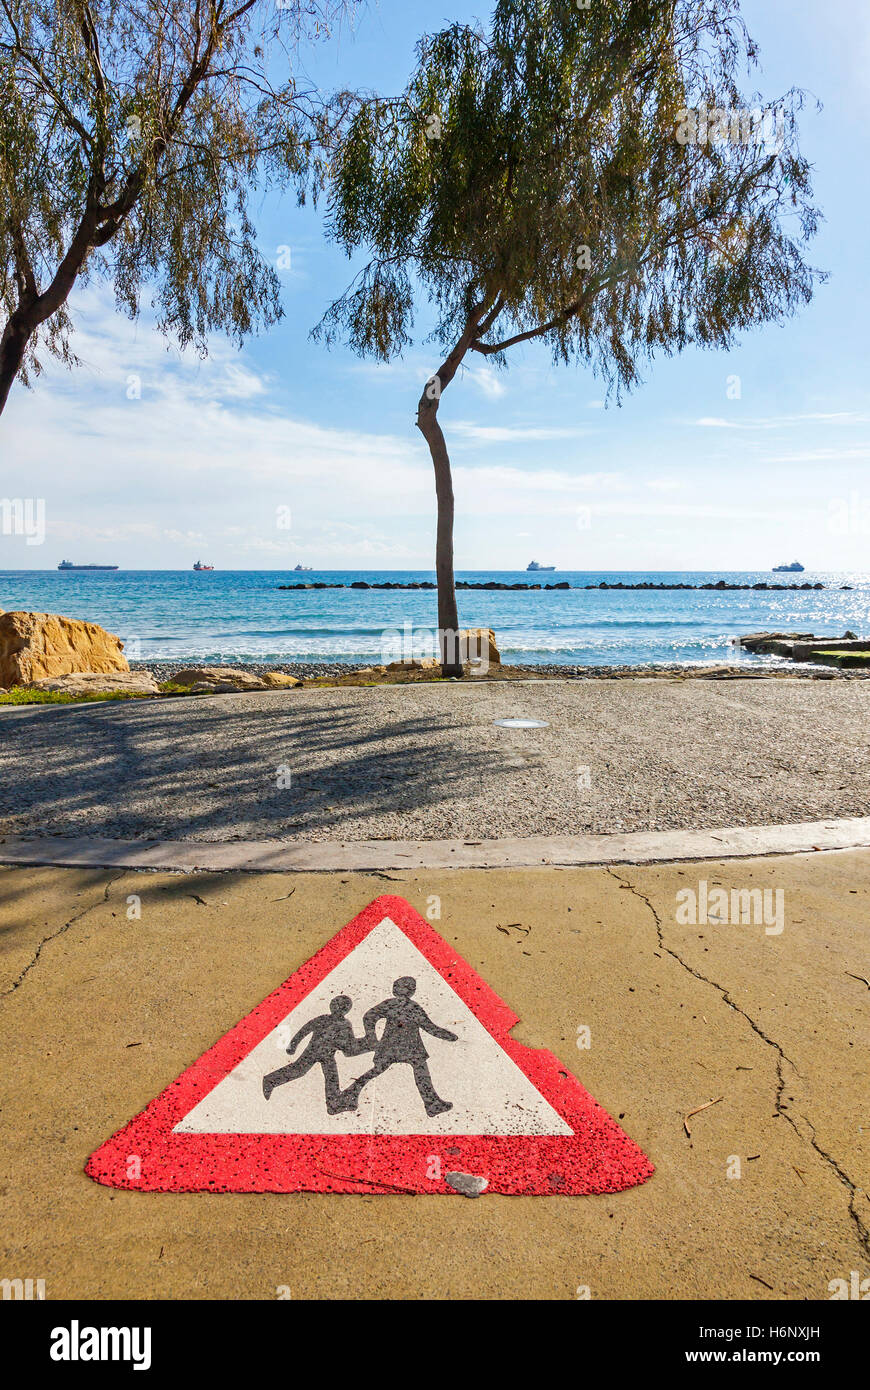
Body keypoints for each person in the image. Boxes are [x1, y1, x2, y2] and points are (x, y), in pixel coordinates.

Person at [339, 976, 458, 1117]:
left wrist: (372, 1037)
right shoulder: (413, 1007)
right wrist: (449, 1036)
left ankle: (348, 1096)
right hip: (410, 1048)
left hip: (390, 1046)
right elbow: (430, 1027)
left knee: (377, 1070)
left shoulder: (390, 1004)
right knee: (421, 1073)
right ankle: (432, 1104)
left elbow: (369, 1017)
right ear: (412, 991)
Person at [262, 995, 369, 1113]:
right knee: (300, 1070)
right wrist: (293, 1044)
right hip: (313, 1051)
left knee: (331, 1077)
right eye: (338, 1006)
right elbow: (305, 1030)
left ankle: (333, 1104)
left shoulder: (344, 1024)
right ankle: (270, 1080)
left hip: (327, 1054)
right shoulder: (327, 1020)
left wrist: (364, 1044)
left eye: (342, 1007)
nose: (339, 1009)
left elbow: (348, 1046)